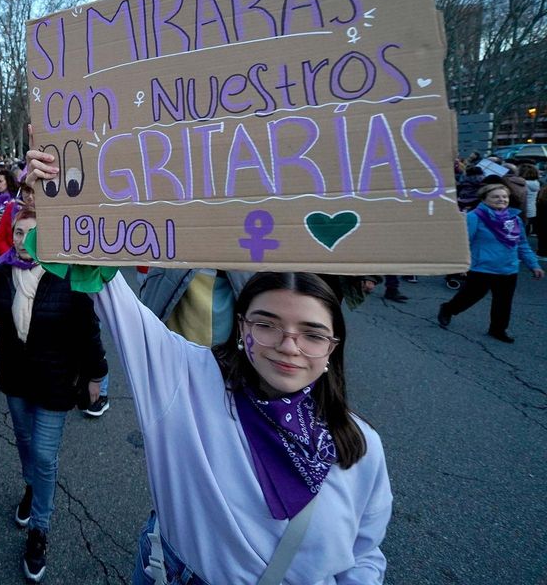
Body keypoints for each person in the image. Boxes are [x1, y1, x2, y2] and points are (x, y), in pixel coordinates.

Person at [23, 147, 392, 584]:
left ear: (334, 346)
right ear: (242, 326)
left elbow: (365, 554)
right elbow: (101, 280)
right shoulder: (187, 379)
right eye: (267, 324)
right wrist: (54, 196)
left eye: (311, 334)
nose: (289, 346)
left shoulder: (362, 447)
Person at [0, 208, 108, 582]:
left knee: (43, 453)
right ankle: (31, 486)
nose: (23, 240)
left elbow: (89, 329)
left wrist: (95, 375)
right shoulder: (2, 273)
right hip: (16, 378)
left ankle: (40, 528)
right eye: (18, 233)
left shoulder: (68, 274)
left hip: (55, 381)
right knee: (23, 440)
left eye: (32, 233)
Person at [437, 182, 543, 343]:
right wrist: (461, 264)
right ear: (484, 199)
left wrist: (534, 265)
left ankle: (498, 329)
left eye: (504, 196)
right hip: (482, 268)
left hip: (509, 268)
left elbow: (522, 244)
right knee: (470, 296)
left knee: (503, 301)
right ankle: (448, 309)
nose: (501, 199)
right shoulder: (474, 217)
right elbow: (464, 242)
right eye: (495, 196)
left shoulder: (514, 219)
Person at [518, 163, 539, 235]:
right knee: (527, 228)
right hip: (532, 209)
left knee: (521, 229)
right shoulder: (536, 183)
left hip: (523, 209)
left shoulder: (523, 183)